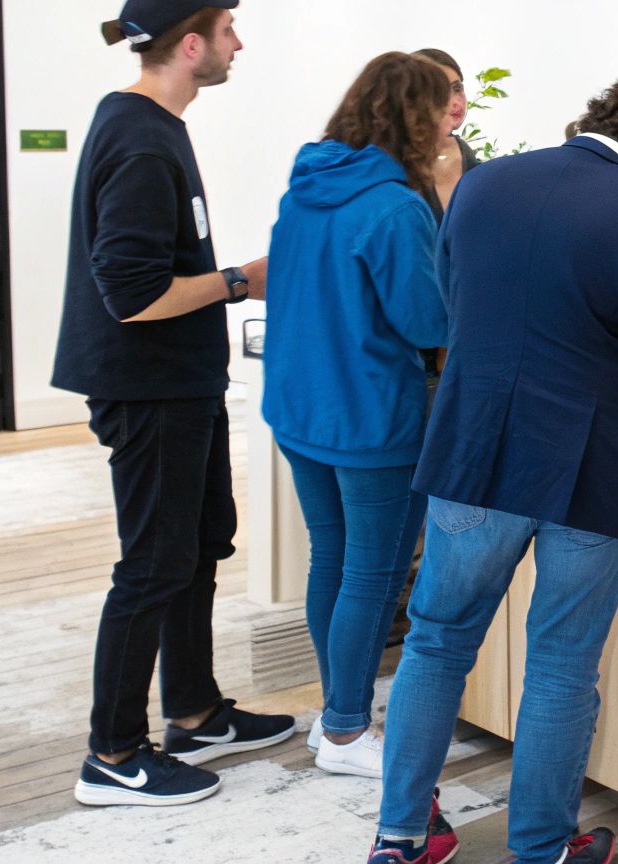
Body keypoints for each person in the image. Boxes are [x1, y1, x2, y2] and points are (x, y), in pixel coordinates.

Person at [368, 74, 618, 864]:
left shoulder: (481, 184)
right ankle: (542, 849)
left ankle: (400, 839)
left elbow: (461, 309)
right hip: (588, 467)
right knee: (560, 663)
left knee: (435, 643)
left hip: (472, 450)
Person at [54, 0, 294, 808]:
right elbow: (132, 293)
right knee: (153, 565)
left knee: (197, 547)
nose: (238, 44)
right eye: (228, 30)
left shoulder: (153, 126)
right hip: (145, 386)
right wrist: (242, 280)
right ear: (190, 45)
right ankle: (114, 754)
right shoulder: (142, 139)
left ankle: (193, 711)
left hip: (179, 382)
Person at [261, 53, 451, 781]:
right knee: (372, 577)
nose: (444, 124)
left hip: (300, 409)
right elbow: (425, 319)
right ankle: (344, 731)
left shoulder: (306, 187)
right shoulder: (395, 206)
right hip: (370, 419)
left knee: (333, 562)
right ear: (414, 117)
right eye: (438, 109)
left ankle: (333, 716)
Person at [411, 48, 478, 211]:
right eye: (440, 92)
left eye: (457, 88)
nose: (455, 102)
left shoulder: (463, 153)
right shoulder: (392, 159)